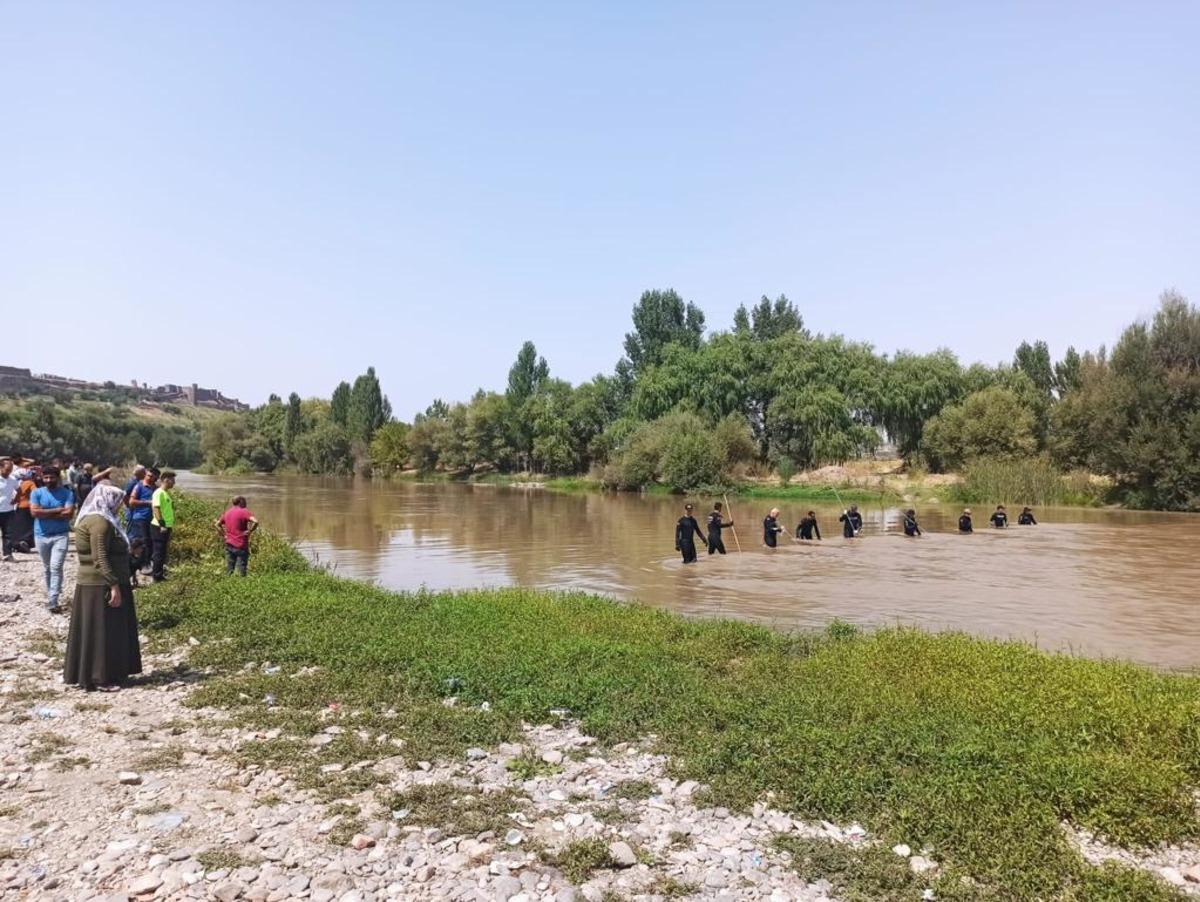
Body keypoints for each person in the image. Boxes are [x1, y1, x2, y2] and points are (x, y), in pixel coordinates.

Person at [63, 483, 142, 692]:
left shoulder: (96, 519)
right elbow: (100, 557)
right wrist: (113, 585)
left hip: (97, 584)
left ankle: (103, 673)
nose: (119, 506)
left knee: (102, 630)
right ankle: (100, 677)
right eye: (116, 501)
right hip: (100, 585)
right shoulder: (100, 523)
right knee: (102, 632)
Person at [31, 466, 75, 613]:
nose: (48, 480)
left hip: (60, 535)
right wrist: (57, 510)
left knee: (56, 566)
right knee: (47, 567)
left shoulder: (67, 493)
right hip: (41, 535)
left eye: (51, 477)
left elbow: (69, 514)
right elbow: (34, 512)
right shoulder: (37, 493)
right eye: (46, 478)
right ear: (42, 478)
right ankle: (52, 592)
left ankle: (53, 599)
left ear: (58, 478)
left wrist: (44, 512)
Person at [217, 495, 259, 576]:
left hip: (229, 544)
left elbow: (217, 524)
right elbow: (256, 522)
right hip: (241, 545)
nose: (246, 503)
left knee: (230, 567)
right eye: (244, 501)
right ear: (240, 502)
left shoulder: (227, 512)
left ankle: (227, 583)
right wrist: (250, 531)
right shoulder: (244, 511)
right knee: (242, 568)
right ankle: (242, 585)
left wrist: (224, 535)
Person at [127, 469, 157, 575]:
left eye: (151, 476)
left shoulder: (155, 488)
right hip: (140, 517)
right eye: (148, 475)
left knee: (150, 541)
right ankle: (143, 565)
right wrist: (147, 502)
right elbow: (131, 501)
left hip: (152, 519)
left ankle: (147, 563)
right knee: (142, 541)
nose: (148, 477)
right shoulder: (139, 486)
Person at [150, 471, 176, 583]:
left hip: (166, 527)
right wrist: (162, 525)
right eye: (172, 480)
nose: (174, 482)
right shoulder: (158, 492)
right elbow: (156, 509)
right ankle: (157, 576)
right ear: (166, 480)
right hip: (159, 527)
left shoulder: (165, 493)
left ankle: (160, 574)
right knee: (159, 552)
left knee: (162, 552)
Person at [12, 467, 38, 553]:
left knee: (18, 527)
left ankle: (16, 543)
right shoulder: (30, 483)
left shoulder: (16, 483)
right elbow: (36, 492)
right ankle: (25, 543)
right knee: (28, 527)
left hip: (17, 507)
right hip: (28, 507)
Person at [0, 457, 20, 562]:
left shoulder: (12, 480)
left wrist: (16, 499)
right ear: (1, 468)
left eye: (10, 470)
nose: (9, 472)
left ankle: (7, 554)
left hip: (8, 511)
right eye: (7, 469)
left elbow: (19, 490)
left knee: (8, 534)